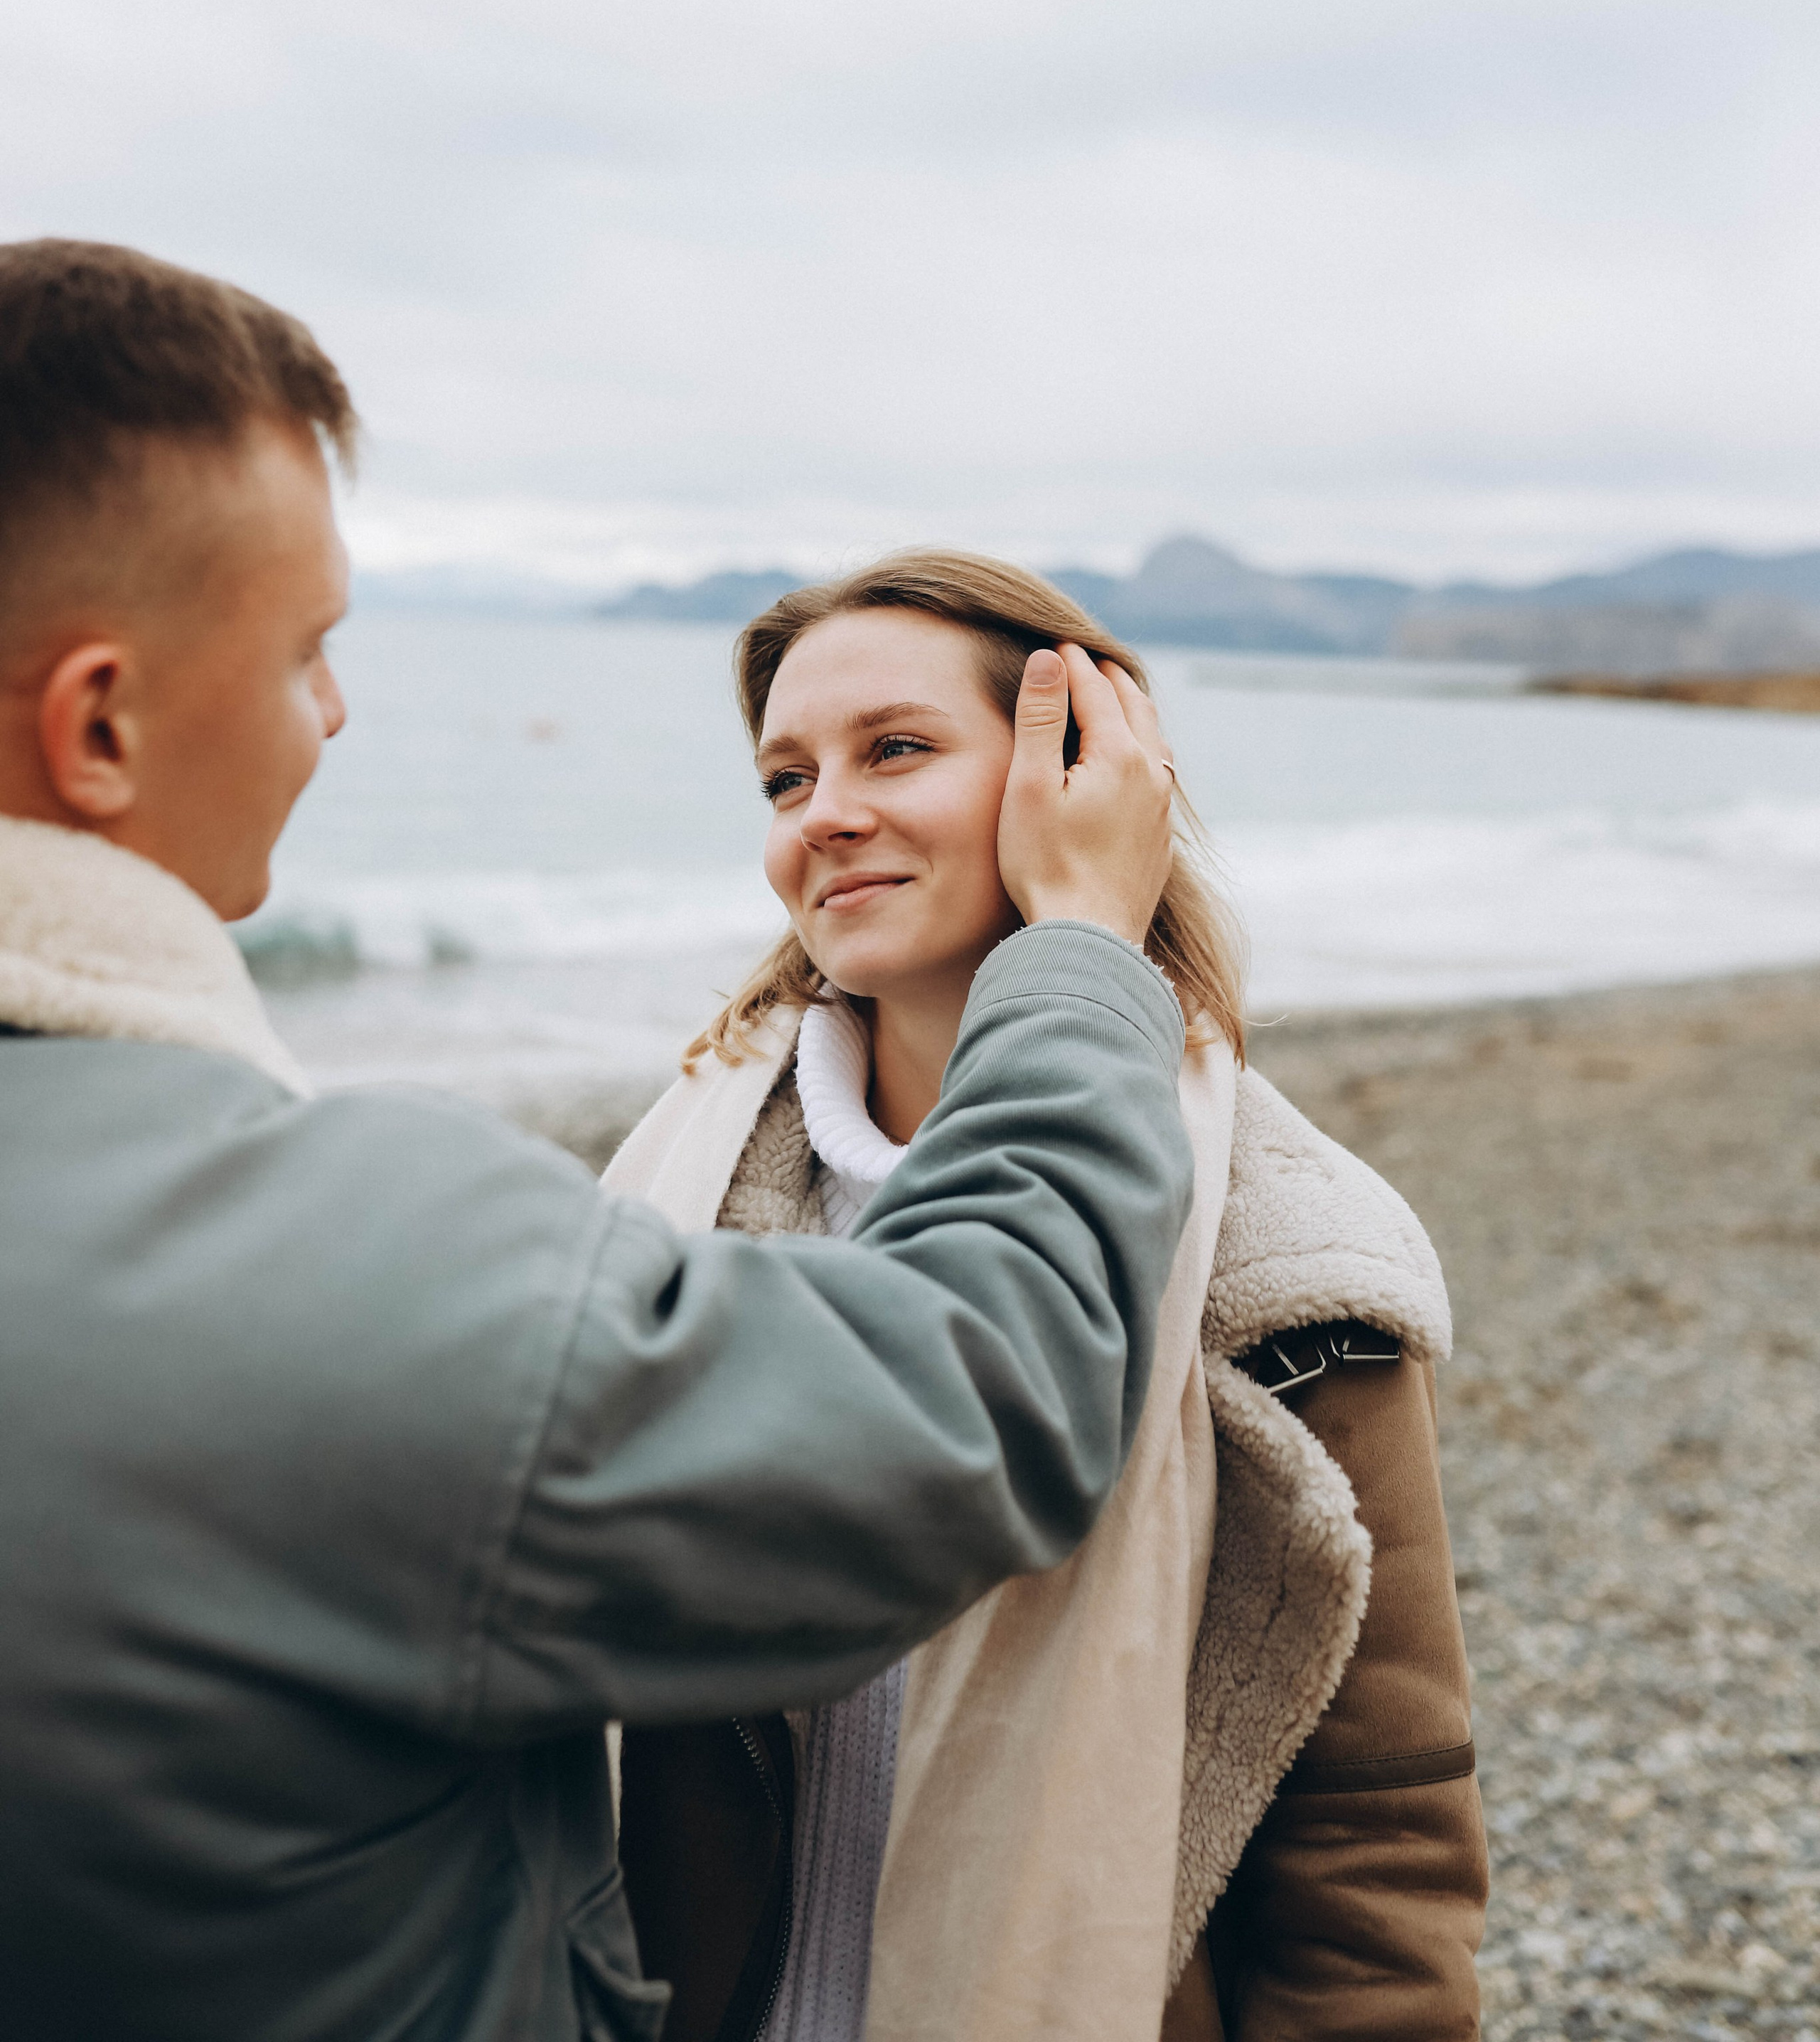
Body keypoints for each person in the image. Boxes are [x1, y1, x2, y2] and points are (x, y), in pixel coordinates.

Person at [0, 240, 1200, 2042]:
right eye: (310, 648)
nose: (335, 710)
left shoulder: (1290, 1242)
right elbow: (970, 1398)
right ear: (101, 723)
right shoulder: (351, 1271)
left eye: (895, 749)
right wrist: (1082, 954)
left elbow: (1373, 1805)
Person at [608, 554, 1489, 2042]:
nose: (820, 815)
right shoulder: (666, 1211)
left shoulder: (1288, 1267)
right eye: (781, 779)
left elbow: (1376, 1836)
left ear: (1077, 774)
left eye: (892, 750)